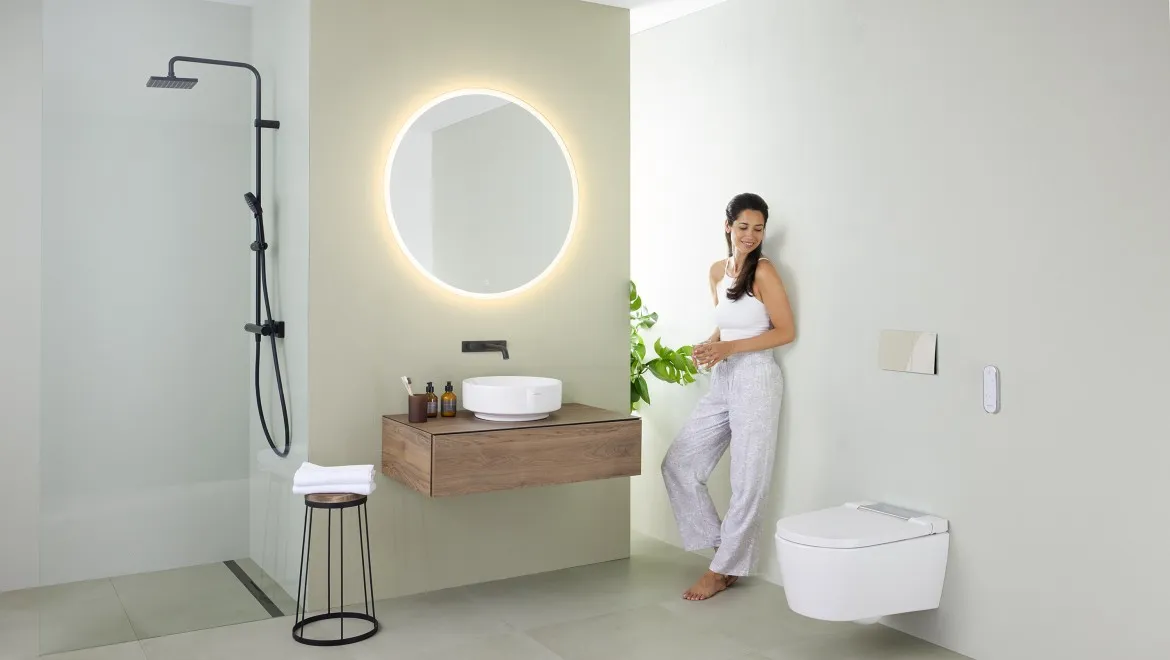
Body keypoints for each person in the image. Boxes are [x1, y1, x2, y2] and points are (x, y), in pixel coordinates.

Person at [661, 192, 796, 601]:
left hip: (757, 377)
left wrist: (730, 350)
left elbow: (785, 331)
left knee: (748, 480)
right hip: (724, 378)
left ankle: (722, 571)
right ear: (728, 226)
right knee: (679, 463)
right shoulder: (718, 271)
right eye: (743, 227)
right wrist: (710, 345)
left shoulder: (765, 272)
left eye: (758, 228)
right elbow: (728, 324)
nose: (751, 236)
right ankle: (727, 552)